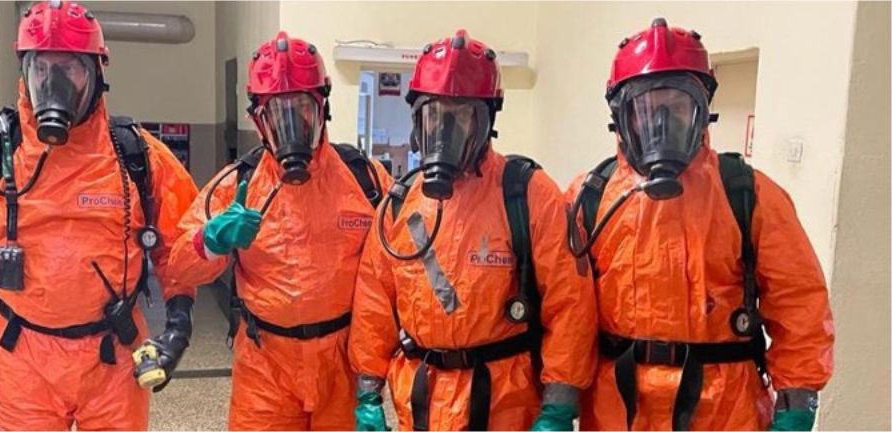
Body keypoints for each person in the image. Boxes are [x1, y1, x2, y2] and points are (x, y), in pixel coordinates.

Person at [0, 1, 198, 429]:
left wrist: (178, 327)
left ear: (96, 74)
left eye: (70, 67)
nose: (53, 82)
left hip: (113, 358)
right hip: (25, 360)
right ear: (25, 72)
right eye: (41, 68)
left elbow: (178, 249)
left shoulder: (136, 155)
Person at [567, 18, 835, 432]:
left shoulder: (748, 194)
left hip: (725, 412)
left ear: (702, 110)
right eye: (646, 109)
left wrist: (797, 404)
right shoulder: (590, 198)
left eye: (677, 107)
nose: (661, 123)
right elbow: (566, 311)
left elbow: (800, 304)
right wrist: (558, 395)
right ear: (621, 117)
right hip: (617, 410)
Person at [348, 30, 597, 432]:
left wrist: (559, 402)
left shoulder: (527, 193)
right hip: (422, 403)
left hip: (505, 405)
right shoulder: (399, 204)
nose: (444, 131)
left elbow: (570, 302)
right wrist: (367, 390)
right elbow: (373, 301)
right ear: (417, 121)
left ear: (486, 121)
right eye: (434, 116)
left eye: (460, 116)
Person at [166, 32, 393, 431]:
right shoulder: (237, 185)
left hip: (343, 363)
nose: (292, 125)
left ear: (322, 108)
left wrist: (375, 381)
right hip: (265, 367)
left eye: (302, 108)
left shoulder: (365, 180)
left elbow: (394, 277)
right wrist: (211, 240)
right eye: (277, 112)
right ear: (259, 119)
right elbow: (179, 267)